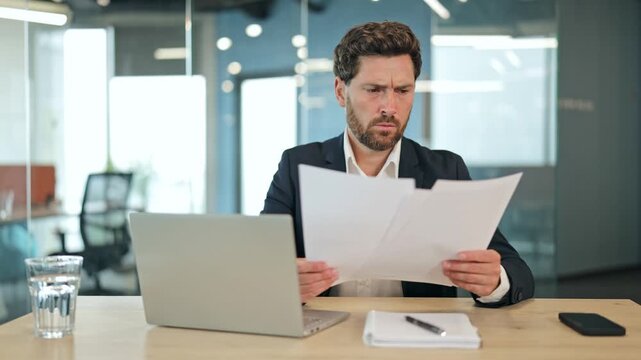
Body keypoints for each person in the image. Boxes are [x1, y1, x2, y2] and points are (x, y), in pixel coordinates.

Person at [262, 21, 534, 307]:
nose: (389, 107)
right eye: (374, 90)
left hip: (418, 341)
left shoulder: (445, 171)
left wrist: (493, 281)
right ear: (341, 92)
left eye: (402, 91)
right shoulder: (298, 166)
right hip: (324, 340)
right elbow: (259, 265)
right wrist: (281, 281)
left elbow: (519, 274)